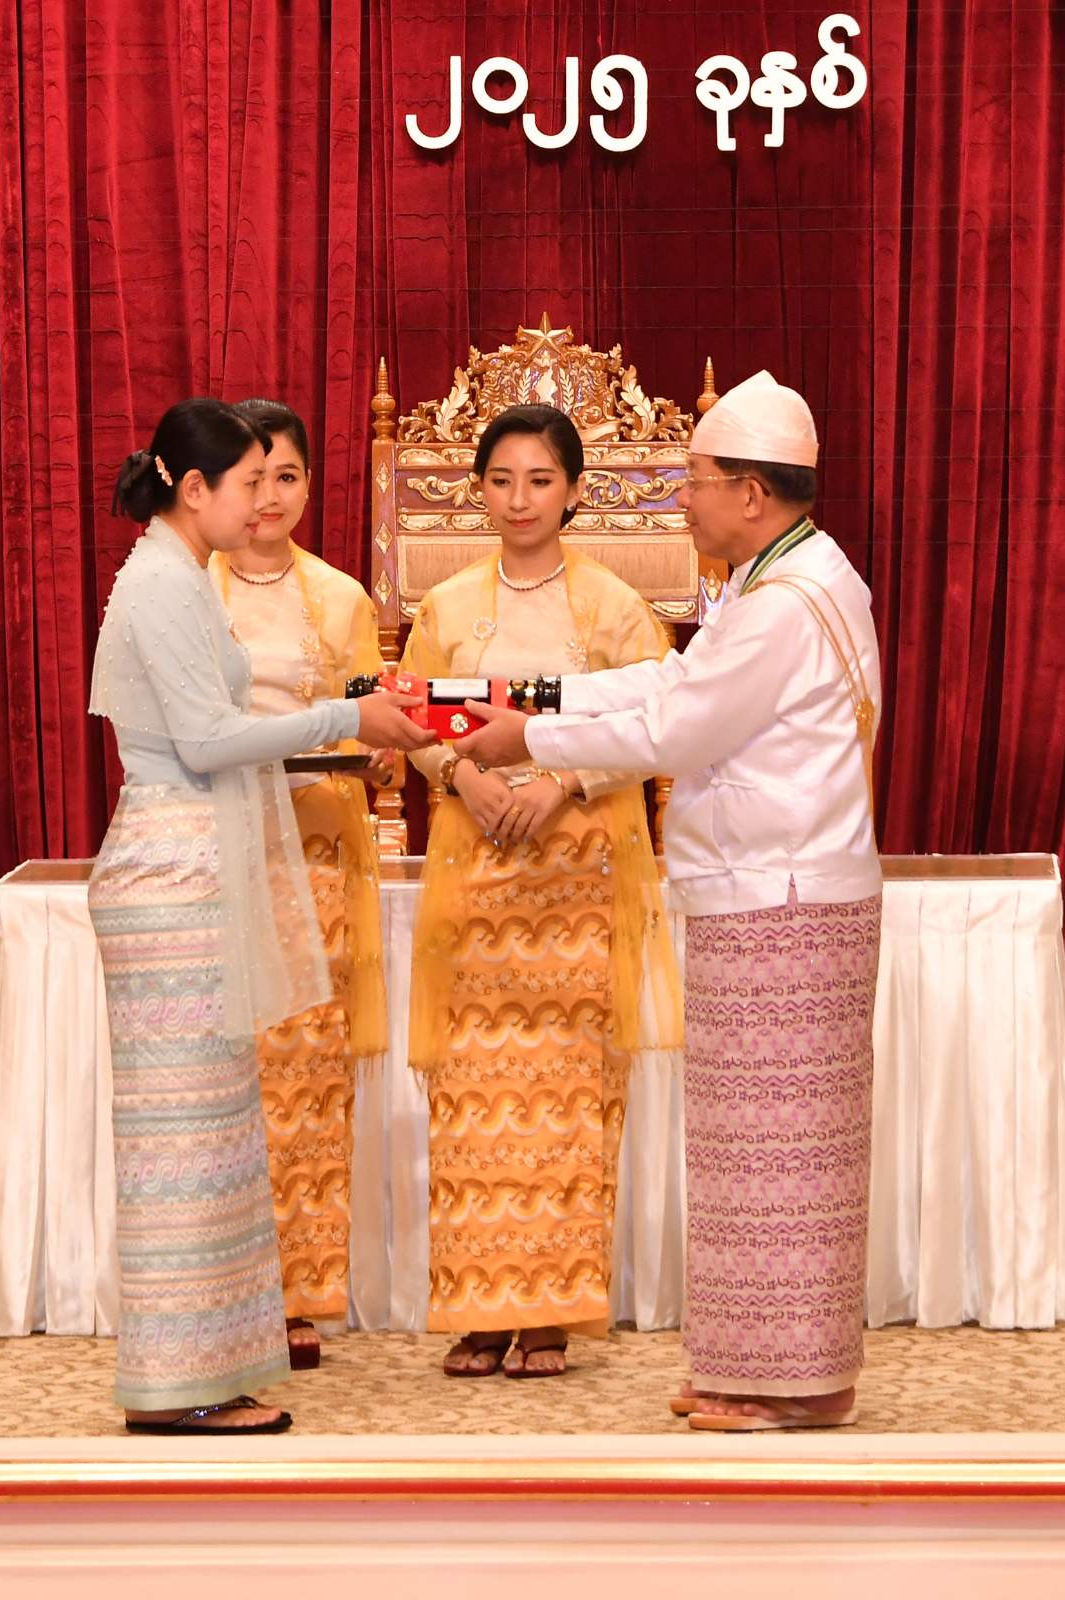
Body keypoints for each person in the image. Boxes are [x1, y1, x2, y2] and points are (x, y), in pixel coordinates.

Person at [456, 371, 882, 1431]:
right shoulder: (776, 578)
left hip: (782, 898)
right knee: (745, 1151)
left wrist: (528, 735)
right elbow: (666, 685)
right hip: (763, 894)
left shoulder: (785, 603)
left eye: (693, 482)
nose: (678, 500)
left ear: (750, 493)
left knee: (780, 1156)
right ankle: (752, 1367)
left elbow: (676, 729)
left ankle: (792, 1384)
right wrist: (536, 696)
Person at [87, 398, 433, 1434]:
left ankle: (202, 1369)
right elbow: (203, 739)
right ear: (193, 489)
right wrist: (344, 716)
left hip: (200, 864)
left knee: (211, 1134)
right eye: (245, 483)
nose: (258, 504)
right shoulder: (161, 581)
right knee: (183, 1143)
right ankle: (179, 1381)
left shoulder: (178, 572)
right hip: (174, 866)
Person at [401, 403, 683, 1380]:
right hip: (475, 872)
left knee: (567, 1093)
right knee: (472, 1096)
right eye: (500, 479)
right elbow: (411, 721)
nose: (518, 499)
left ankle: (553, 1310)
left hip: (578, 877)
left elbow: (654, 724)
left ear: (572, 492)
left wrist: (560, 780)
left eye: (539, 480)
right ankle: (478, 1312)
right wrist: (462, 777)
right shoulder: (444, 609)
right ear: (476, 489)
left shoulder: (615, 609)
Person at [208, 397, 387, 1369]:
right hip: (218, 852)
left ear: (311, 484)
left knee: (310, 1079)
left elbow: (366, 717)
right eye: (253, 478)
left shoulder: (341, 597)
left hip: (313, 852)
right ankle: (223, 1285)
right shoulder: (187, 586)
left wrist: (378, 746)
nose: (269, 497)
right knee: (227, 1078)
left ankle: (301, 1291)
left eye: (287, 476)